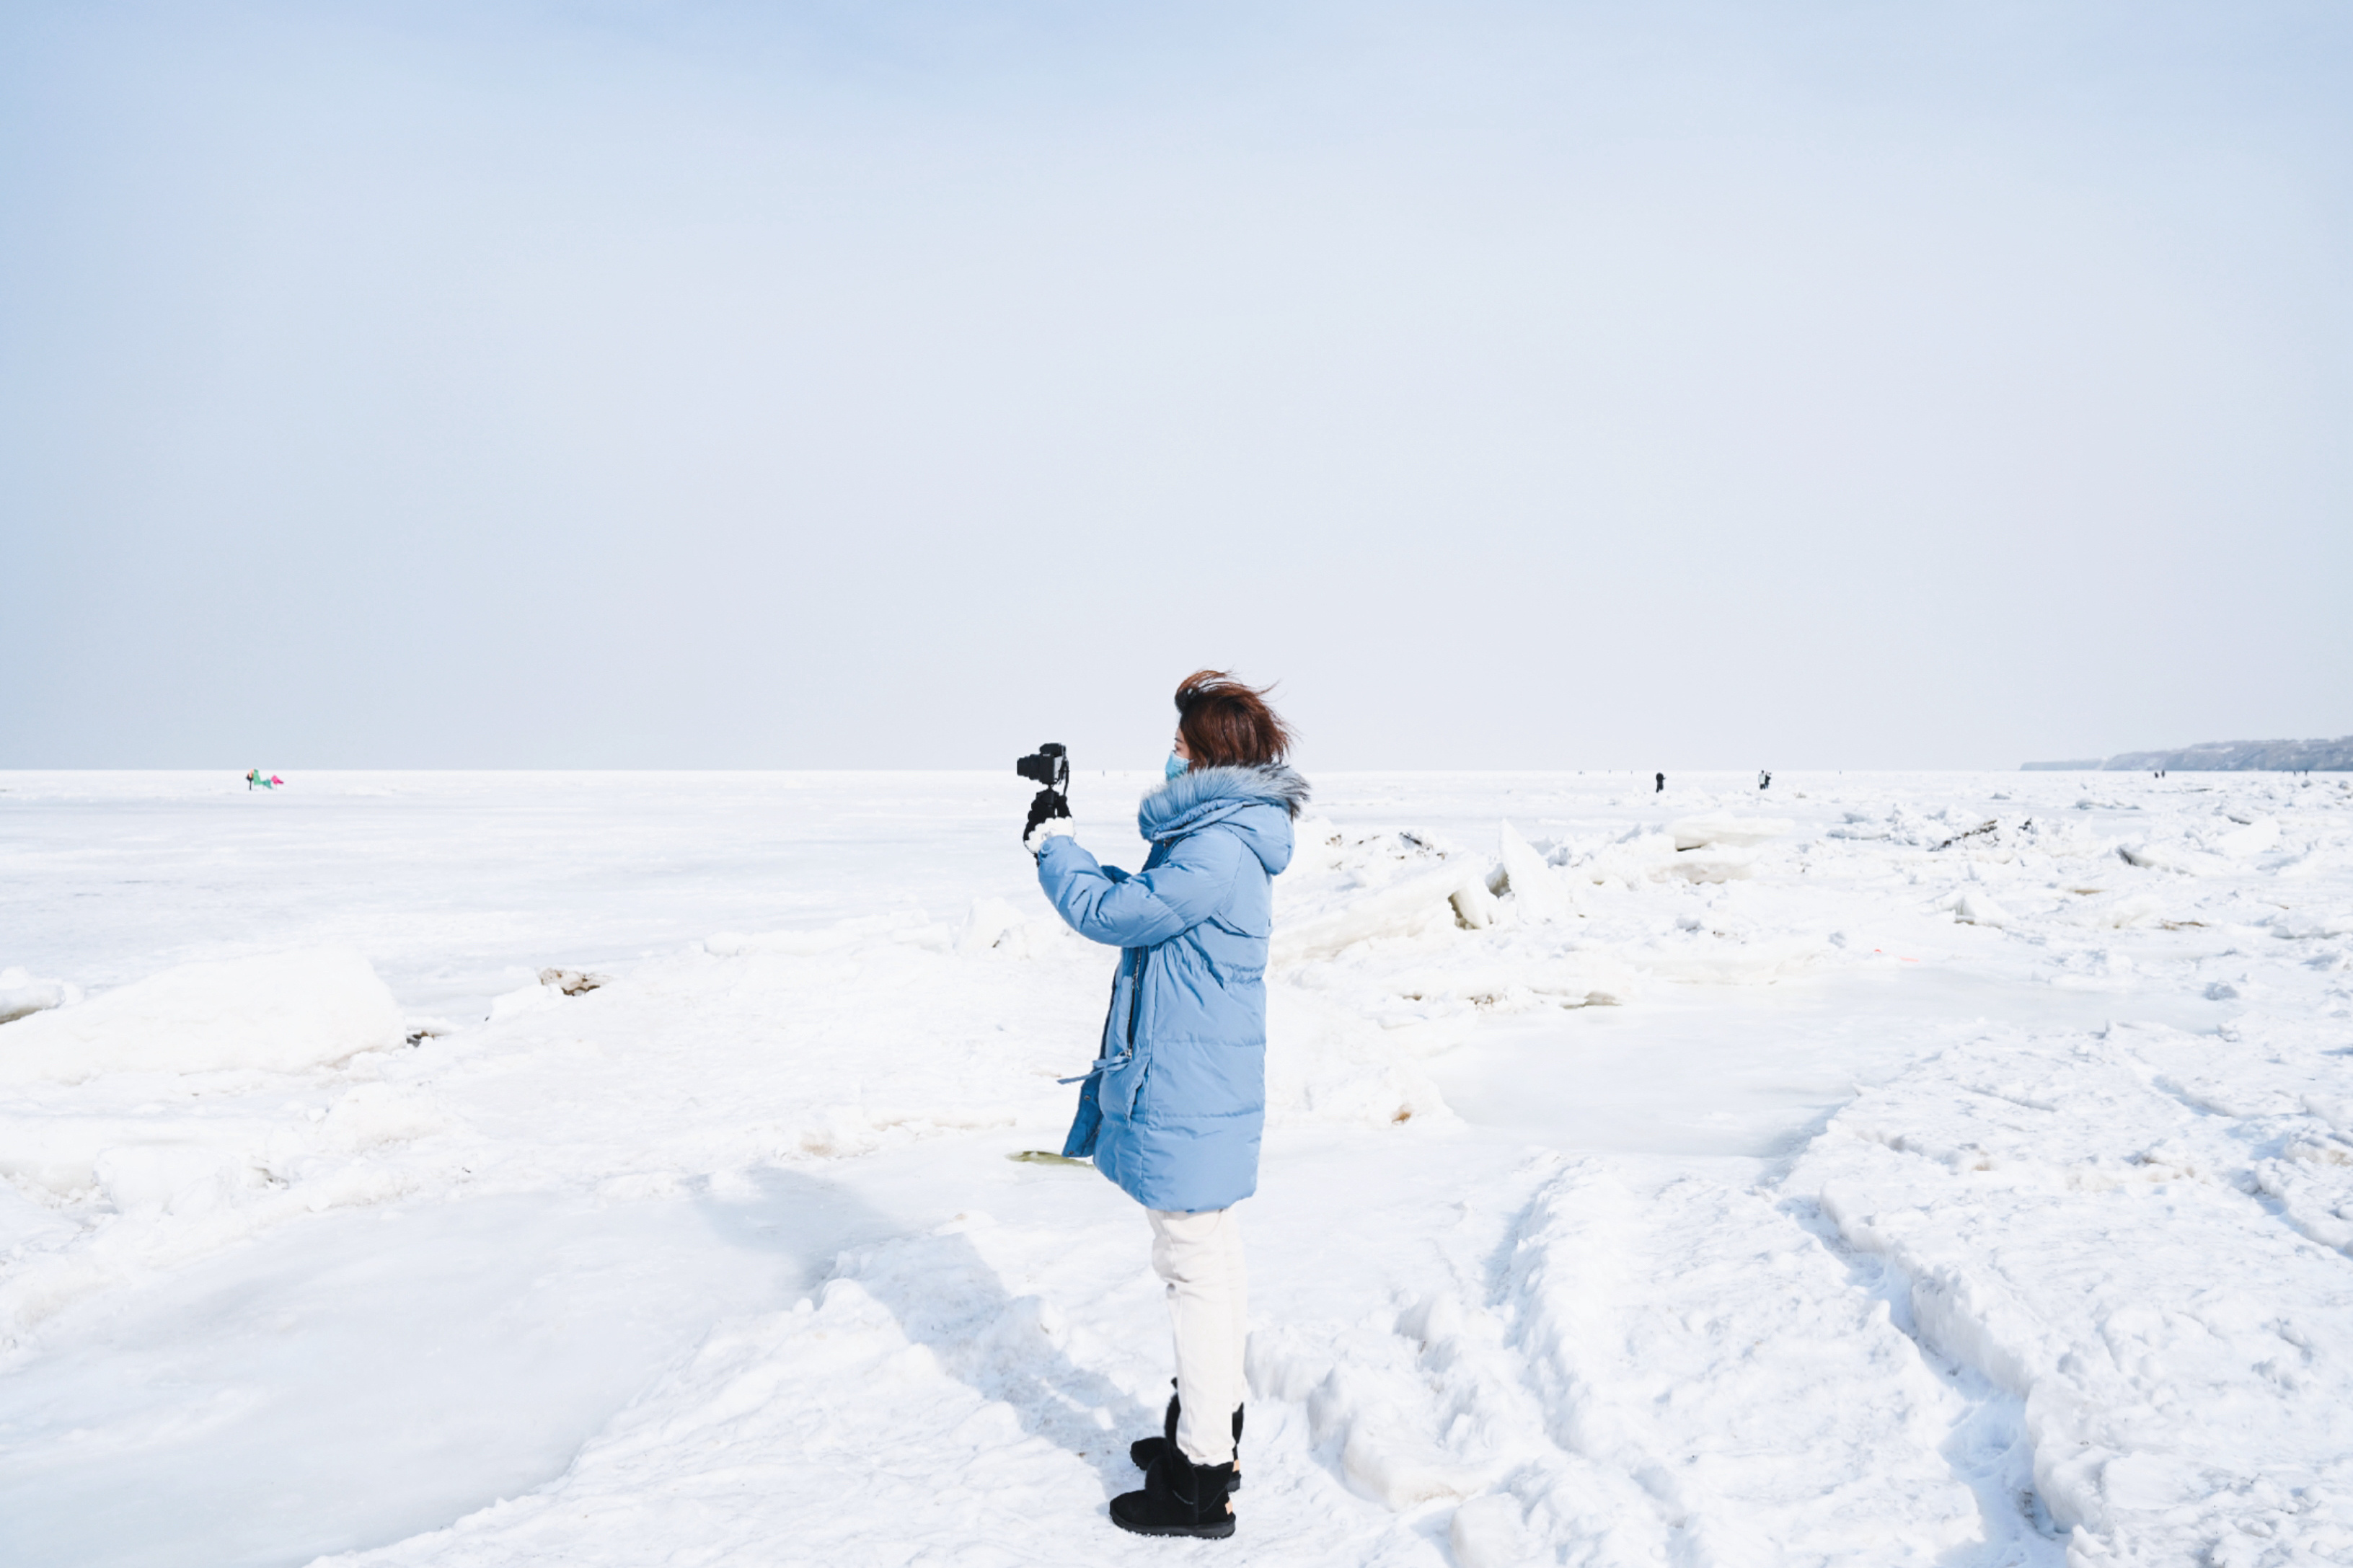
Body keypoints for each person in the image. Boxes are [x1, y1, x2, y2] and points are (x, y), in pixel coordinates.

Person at [1024, 670, 1308, 1541]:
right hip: (1200, 1081)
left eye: (1180, 746)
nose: (1168, 756)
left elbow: (1112, 913)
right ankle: (1206, 1430)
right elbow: (1150, 909)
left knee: (1193, 1270)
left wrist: (1052, 846)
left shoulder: (1215, 848)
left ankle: (1200, 1481)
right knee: (1206, 1260)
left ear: (1207, 756)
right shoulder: (1219, 838)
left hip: (1189, 1087)